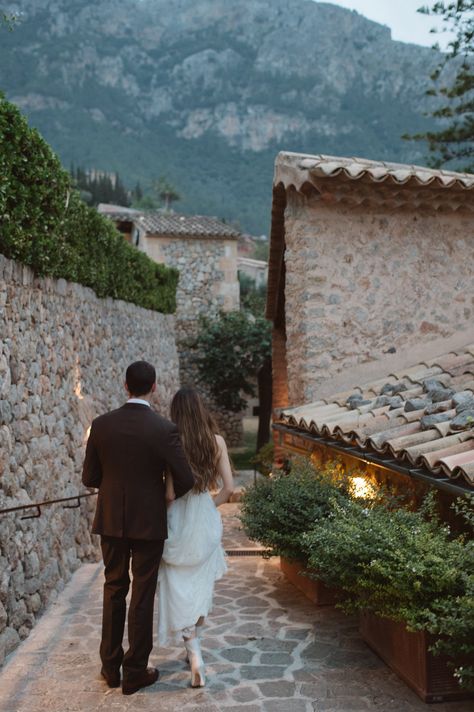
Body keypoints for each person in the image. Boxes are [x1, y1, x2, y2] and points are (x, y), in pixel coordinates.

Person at [82, 361, 195, 696]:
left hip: (112, 520)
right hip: (149, 523)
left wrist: (116, 489)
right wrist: (164, 494)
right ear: (155, 387)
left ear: (125, 386)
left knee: (114, 588)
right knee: (142, 594)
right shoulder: (164, 429)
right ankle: (134, 671)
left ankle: (109, 667)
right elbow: (186, 478)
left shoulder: (101, 426)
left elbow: (90, 478)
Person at [157, 387, 234, 688]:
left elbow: (169, 494)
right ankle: (194, 648)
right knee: (200, 587)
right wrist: (208, 509)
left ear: (176, 413)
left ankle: (194, 653)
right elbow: (228, 489)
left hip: (179, 517)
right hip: (205, 516)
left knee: (178, 587)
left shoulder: (173, 443)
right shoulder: (216, 442)